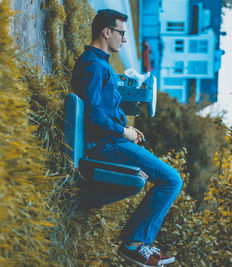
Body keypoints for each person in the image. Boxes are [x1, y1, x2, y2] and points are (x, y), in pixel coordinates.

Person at [71, 9, 182, 267]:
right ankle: (134, 245)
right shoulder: (95, 65)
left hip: (113, 140)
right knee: (172, 179)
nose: (124, 39)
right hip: (105, 145)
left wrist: (127, 130)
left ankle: (137, 243)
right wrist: (124, 131)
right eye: (121, 33)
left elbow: (102, 109)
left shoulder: (98, 62)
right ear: (106, 31)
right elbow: (95, 116)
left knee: (160, 178)